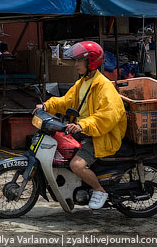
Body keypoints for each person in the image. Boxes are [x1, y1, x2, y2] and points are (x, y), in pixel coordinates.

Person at [35, 41, 126, 211]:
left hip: (99, 135)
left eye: (79, 61)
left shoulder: (104, 86)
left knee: (76, 165)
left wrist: (82, 125)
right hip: (85, 131)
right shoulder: (83, 82)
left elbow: (107, 116)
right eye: (75, 60)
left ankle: (99, 190)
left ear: (90, 62)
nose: (75, 64)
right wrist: (48, 105)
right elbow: (66, 101)